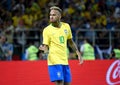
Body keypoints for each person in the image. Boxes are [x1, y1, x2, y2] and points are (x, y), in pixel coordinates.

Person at [39, 6, 83, 85]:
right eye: (50, 15)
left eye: (54, 15)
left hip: (64, 61)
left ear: (60, 16)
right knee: (60, 83)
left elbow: (70, 42)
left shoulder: (66, 26)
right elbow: (45, 45)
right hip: (54, 61)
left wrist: (78, 53)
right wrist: (44, 50)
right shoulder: (47, 30)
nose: (51, 17)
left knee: (67, 83)